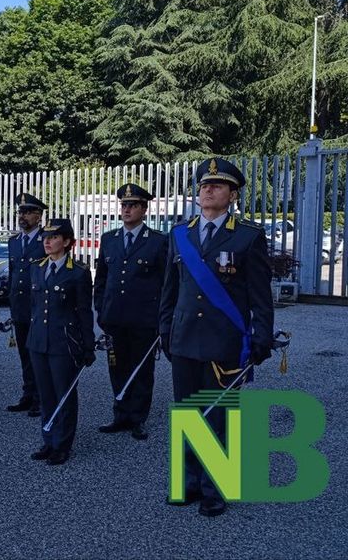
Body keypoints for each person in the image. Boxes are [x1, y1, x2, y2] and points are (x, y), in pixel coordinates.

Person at [160, 158, 274, 518]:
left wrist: (262, 336)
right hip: (184, 337)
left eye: (217, 185)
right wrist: (164, 328)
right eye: (204, 185)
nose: (208, 190)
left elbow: (260, 294)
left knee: (219, 417)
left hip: (224, 340)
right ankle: (188, 482)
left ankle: (215, 488)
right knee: (187, 413)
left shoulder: (248, 236)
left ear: (232, 195)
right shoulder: (181, 234)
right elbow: (170, 288)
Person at [93, 183, 168, 441]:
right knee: (117, 367)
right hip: (114, 318)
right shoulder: (109, 239)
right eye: (124, 205)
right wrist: (101, 309)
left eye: (133, 205)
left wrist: (160, 318)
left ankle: (138, 418)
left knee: (142, 370)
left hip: (144, 320)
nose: (126, 210)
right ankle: (120, 414)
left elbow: (166, 282)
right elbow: (101, 279)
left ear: (144, 209)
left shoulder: (158, 241)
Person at [27, 218, 95, 466]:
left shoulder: (78, 272)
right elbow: (34, 307)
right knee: (45, 393)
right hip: (39, 341)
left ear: (67, 242)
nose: (47, 241)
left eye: (54, 237)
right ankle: (48, 438)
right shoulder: (37, 267)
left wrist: (88, 345)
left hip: (63, 342)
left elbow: (84, 311)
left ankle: (62, 444)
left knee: (64, 394)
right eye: (45, 237)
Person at [5, 193, 49, 416]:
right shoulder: (14, 241)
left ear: (39, 216)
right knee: (24, 353)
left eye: (28, 212)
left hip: (38, 307)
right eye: (20, 212)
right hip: (20, 307)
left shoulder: (46, 240)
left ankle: (41, 398)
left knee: (38, 355)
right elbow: (14, 273)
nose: (22, 216)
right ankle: (28, 394)